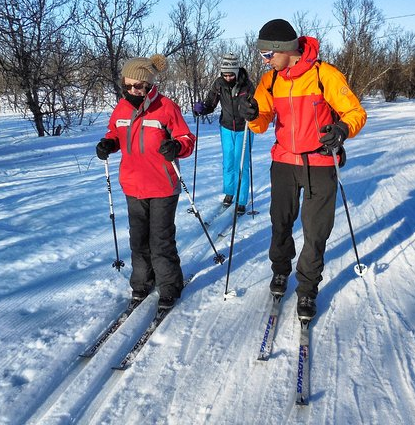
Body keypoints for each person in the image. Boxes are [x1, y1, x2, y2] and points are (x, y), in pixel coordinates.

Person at [239, 18, 367, 321]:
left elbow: (355, 112)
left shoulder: (325, 75)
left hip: (319, 162)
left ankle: (308, 288)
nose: (265, 61)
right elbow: (259, 124)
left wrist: (342, 130)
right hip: (284, 162)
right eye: (262, 56)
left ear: (284, 49)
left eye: (267, 55)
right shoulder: (270, 80)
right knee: (280, 223)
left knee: (316, 230)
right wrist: (252, 114)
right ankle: (281, 271)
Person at [95, 54, 196, 310]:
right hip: (133, 185)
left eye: (138, 86)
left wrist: (176, 146)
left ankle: (170, 285)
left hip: (163, 184)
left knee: (160, 240)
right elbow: (114, 133)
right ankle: (142, 282)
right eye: (127, 86)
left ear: (149, 86)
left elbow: (186, 138)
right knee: (138, 239)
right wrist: (109, 143)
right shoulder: (121, 108)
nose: (132, 91)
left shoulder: (166, 107)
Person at [193, 53, 255, 215]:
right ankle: (230, 191)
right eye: (225, 74)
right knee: (228, 162)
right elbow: (211, 104)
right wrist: (202, 108)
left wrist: (252, 110)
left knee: (241, 164)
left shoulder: (247, 85)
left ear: (236, 72)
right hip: (226, 127)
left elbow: (256, 106)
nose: (227, 77)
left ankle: (241, 199)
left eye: (230, 74)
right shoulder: (219, 84)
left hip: (245, 128)